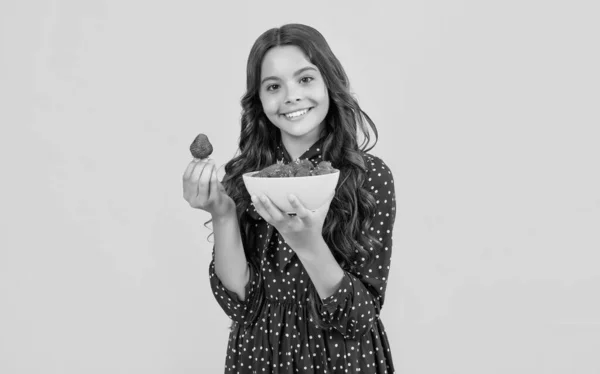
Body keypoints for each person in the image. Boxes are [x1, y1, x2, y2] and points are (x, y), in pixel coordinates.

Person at [182, 23, 396, 374]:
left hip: (341, 359)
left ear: (329, 82)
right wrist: (222, 213)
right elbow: (241, 304)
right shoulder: (246, 177)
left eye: (305, 79)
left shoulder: (367, 177)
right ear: (260, 99)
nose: (291, 96)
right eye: (273, 86)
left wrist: (308, 244)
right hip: (259, 355)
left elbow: (359, 317)